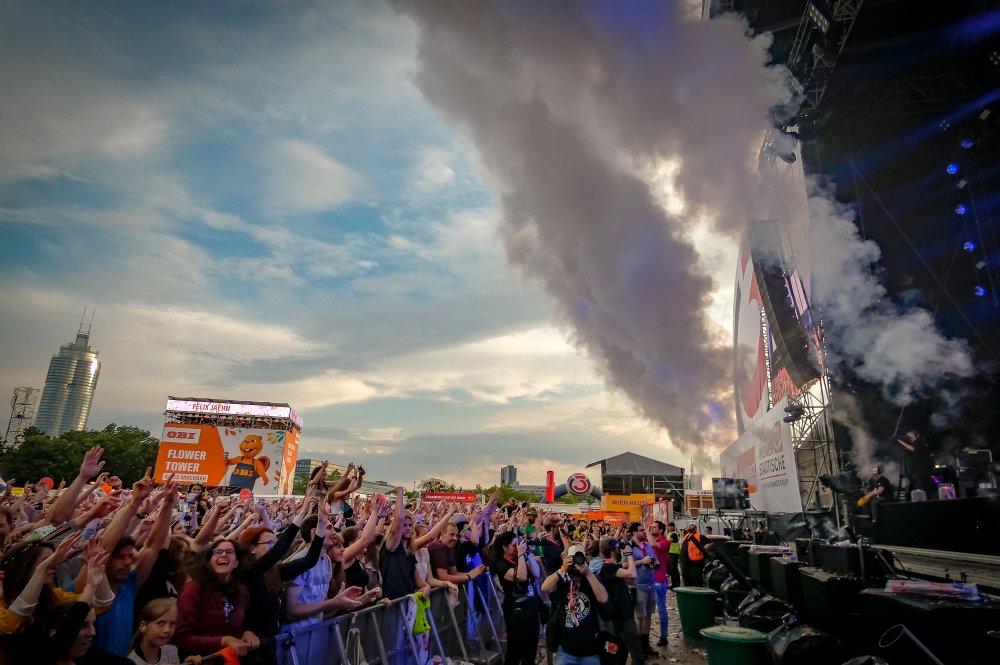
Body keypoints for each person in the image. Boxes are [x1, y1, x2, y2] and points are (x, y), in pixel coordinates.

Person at [174, 537, 257, 658]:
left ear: (236, 563)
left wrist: (248, 632)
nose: (223, 555)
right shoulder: (193, 589)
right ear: (208, 562)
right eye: (217, 552)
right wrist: (224, 640)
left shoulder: (241, 591)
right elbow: (181, 639)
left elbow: (244, 623)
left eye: (229, 552)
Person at [541, 545, 610, 665]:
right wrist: (562, 569)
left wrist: (588, 574)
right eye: (572, 559)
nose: (575, 564)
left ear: (585, 560)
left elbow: (603, 598)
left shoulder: (591, 579)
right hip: (566, 650)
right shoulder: (562, 579)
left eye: (578, 558)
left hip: (590, 650)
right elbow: (544, 588)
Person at [489, 532, 541, 665]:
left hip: (531, 607)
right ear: (504, 547)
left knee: (531, 651)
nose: (517, 547)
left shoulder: (521, 558)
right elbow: (521, 577)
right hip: (515, 611)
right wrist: (521, 555)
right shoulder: (501, 564)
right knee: (515, 651)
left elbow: (536, 573)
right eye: (514, 545)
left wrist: (528, 554)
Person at [595, 538, 643, 665]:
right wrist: (629, 554)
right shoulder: (608, 568)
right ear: (613, 551)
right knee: (636, 652)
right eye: (617, 548)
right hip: (622, 617)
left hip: (616, 617)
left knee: (619, 652)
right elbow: (632, 574)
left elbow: (631, 579)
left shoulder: (611, 568)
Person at [627, 523, 658, 655]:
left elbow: (655, 560)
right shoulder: (628, 546)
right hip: (637, 585)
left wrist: (654, 563)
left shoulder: (647, 545)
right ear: (634, 533)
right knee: (639, 616)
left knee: (648, 615)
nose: (644, 533)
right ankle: (638, 648)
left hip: (650, 584)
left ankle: (646, 645)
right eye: (641, 531)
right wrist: (641, 562)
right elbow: (624, 564)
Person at [127, 598, 182, 665]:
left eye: (172, 624)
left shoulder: (171, 652)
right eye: (161, 623)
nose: (167, 630)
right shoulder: (132, 662)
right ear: (143, 626)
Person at [647, 521, 669, 646]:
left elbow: (652, 544)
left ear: (660, 530)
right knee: (646, 610)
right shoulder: (650, 540)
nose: (651, 528)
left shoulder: (665, 542)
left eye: (654, 527)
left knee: (661, 609)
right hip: (649, 579)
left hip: (659, 580)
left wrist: (646, 529)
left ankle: (664, 637)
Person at [895, 431, 932, 498]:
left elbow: (912, 448)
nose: (909, 437)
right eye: (908, 436)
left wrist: (900, 441)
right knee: (911, 489)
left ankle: (923, 500)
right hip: (912, 471)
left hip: (919, 471)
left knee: (920, 488)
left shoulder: (920, 442)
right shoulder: (910, 443)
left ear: (916, 436)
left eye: (910, 436)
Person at [664, 522, 681, 591]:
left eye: (672, 526)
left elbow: (668, 541)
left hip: (674, 553)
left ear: (674, 527)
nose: (670, 527)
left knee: (674, 569)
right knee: (673, 569)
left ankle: (676, 585)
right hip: (671, 553)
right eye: (669, 526)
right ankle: (674, 584)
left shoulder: (674, 534)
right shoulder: (670, 533)